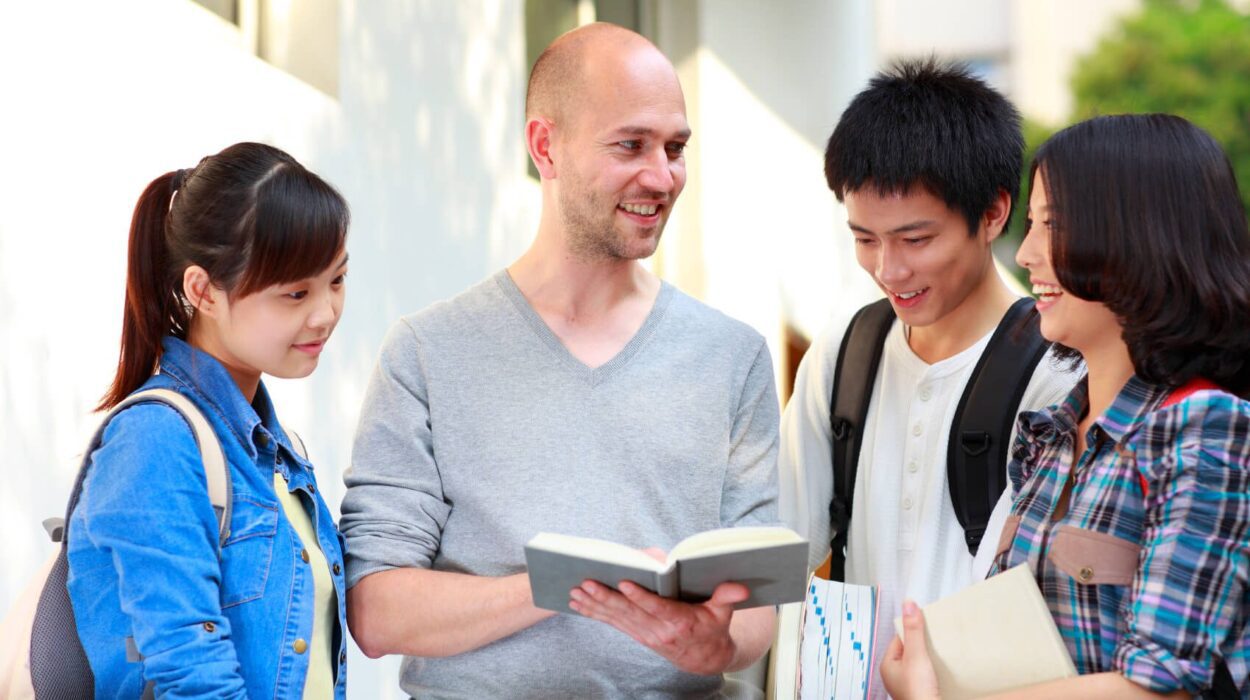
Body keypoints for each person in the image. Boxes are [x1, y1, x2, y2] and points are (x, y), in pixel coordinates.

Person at [339, 22, 780, 698]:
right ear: (547, 147)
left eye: (676, 148)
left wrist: (715, 640)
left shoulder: (733, 357)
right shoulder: (428, 353)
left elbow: (756, 607)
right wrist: (566, 585)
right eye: (630, 145)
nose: (661, 176)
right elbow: (377, 609)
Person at [882, 113, 1250, 698]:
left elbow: (1162, 689)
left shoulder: (1205, 429)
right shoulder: (1047, 435)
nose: (1026, 253)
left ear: (1138, 237)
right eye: (1029, 225)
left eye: (1051, 225)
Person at [778, 59, 1081, 695]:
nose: (888, 269)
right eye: (865, 239)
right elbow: (781, 556)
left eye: (916, 239)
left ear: (995, 213)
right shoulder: (845, 356)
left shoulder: (1058, 372)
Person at [66, 142, 351, 698]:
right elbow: (190, 671)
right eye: (296, 293)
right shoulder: (156, 440)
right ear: (203, 290)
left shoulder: (278, 450)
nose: (326, 314)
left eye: (337, 280)